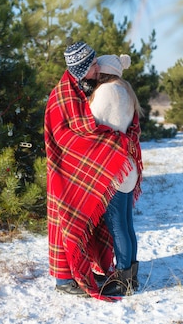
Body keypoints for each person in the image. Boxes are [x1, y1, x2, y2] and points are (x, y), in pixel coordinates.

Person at [44, 40, 140, 301]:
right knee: (69, 222)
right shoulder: (63, 94)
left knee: (109, 224)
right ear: (82, 68)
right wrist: (116, 143)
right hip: (67, 171)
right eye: (93, 64)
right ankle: (65, 279)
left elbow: (92, 125)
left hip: (94, 169)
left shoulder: (84, 89)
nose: (97, 67)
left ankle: (96, 274)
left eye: (98, 63)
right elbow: (69, 134)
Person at [89, 54, 144, 296]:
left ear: (104, 71)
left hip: (113, 167)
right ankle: (131, 277)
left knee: (117, 225)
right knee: (127, 224)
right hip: (128, 166)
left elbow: (91, 122)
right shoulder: (126, 90)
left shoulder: (106, 92)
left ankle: (123, 279)